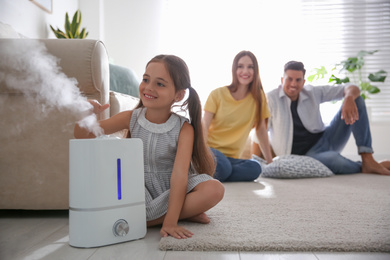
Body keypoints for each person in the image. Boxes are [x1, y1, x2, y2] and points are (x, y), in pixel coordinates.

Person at [74, 55, 225, 239]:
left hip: (172, 187)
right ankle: (181, 214)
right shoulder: (130, 117)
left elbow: (179, 175)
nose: (149, 87)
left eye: (160, 84)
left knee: (215, 189)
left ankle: (153, 219)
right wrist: (86, 114)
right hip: (138, 187)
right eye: (146, 79)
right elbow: (82, 136)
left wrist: (171, 223)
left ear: (179, 95)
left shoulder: (184, 128)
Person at [261, 60, 390, 175]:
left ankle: (367, 157)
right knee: (334, 160)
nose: (293, 84)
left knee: (357, 99)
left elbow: (351, 87)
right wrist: (267, 161)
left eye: (298, 80)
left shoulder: (312, 92)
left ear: (303, 82)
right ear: (282, 80)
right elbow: (260, 132)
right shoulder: (271, 99)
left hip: (326, 139)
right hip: (306, 157)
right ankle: (368, 166)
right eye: (289, 79)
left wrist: (349, 98)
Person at [202, 51, 273, 182]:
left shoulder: (259, 98)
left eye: (250, 67)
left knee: (255, 168)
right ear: (234, 69)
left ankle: (213, 172)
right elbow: (204, 125)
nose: (245, 71)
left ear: (255, 70)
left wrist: (270, 161)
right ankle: (211, 168)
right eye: (240, 66)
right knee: (223, 167)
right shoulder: (217, 94)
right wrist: (201, 152)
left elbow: (261, 130)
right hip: (211, 151)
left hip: (232, 158)